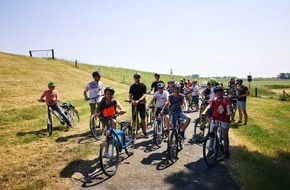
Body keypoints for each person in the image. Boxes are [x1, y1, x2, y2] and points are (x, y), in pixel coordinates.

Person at [94, 87, 126, 157]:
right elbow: (96, 112)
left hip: (113, 116)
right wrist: (97, 114)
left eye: (111, 94)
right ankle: (106, 152)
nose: (109, 95)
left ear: (113, 95)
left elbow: (119, 105)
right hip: (105, 118)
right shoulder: (102, 103)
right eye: (107, 94)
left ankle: (114, 136)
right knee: (108, 134)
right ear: (105, 94)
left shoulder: (114, 101)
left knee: (113, 122)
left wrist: (122, 109)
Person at [202, 85, 231, 159]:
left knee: (225, 134)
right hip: (215, 118)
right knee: (212, 132)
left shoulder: (225, 99)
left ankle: (226, 150)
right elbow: (209, 106)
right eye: (217, 93)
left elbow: (228, 107)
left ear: (222, 93)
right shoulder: (214, 100)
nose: (218, 94)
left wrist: (229, 112)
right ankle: (210, 149)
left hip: (224, 118)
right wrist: (204, 112)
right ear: (215, 94)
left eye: (220, 92)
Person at [129, 72, 148, 137]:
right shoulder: (132, 86)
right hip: (134, 103)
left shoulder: (143, 86)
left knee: (143, 118)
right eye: (135, 77)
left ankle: (145, 132)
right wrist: (131, 100)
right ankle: (134, 131)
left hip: (141, 103)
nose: (137, 79)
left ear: (140, 78)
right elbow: (130, 95)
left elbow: (144, 95)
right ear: (134, 78)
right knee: (134, 118)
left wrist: (139, 100)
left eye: (138, 77)